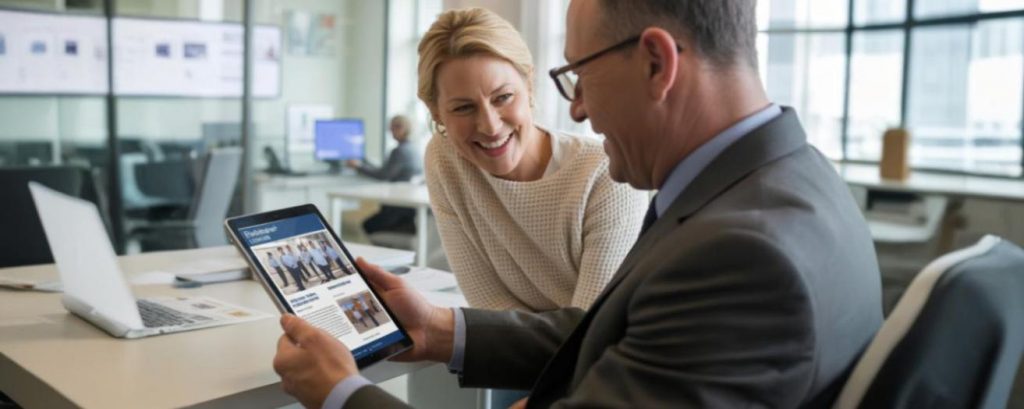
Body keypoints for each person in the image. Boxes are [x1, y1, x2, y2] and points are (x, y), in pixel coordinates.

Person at [272, 1, 884, 408]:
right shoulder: (781, 185)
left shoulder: (738, 258)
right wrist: (438, 329)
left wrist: (340, 393)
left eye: (580, 76)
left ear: (656, 63)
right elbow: (616, 333)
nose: (578, 109)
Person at [417, 7, 647, 312]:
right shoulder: (444, 158)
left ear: (529, 84)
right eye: (463, 108)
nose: (490, 126)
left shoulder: (603, 174)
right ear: (436, 112)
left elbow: (591, 328)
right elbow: (489, 305)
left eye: (503, 98)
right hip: (526, 353)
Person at [346, 115, 423, 235]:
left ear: (405, 128)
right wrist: (363, 162)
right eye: (391, 127)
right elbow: (386, 171)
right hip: (407, 209)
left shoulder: (399, 151)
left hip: (397, 209)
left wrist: (358, 167)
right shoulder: (413, 148)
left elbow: (383, 175)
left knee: (368, 225)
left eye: (395, 127)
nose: (391, 131)